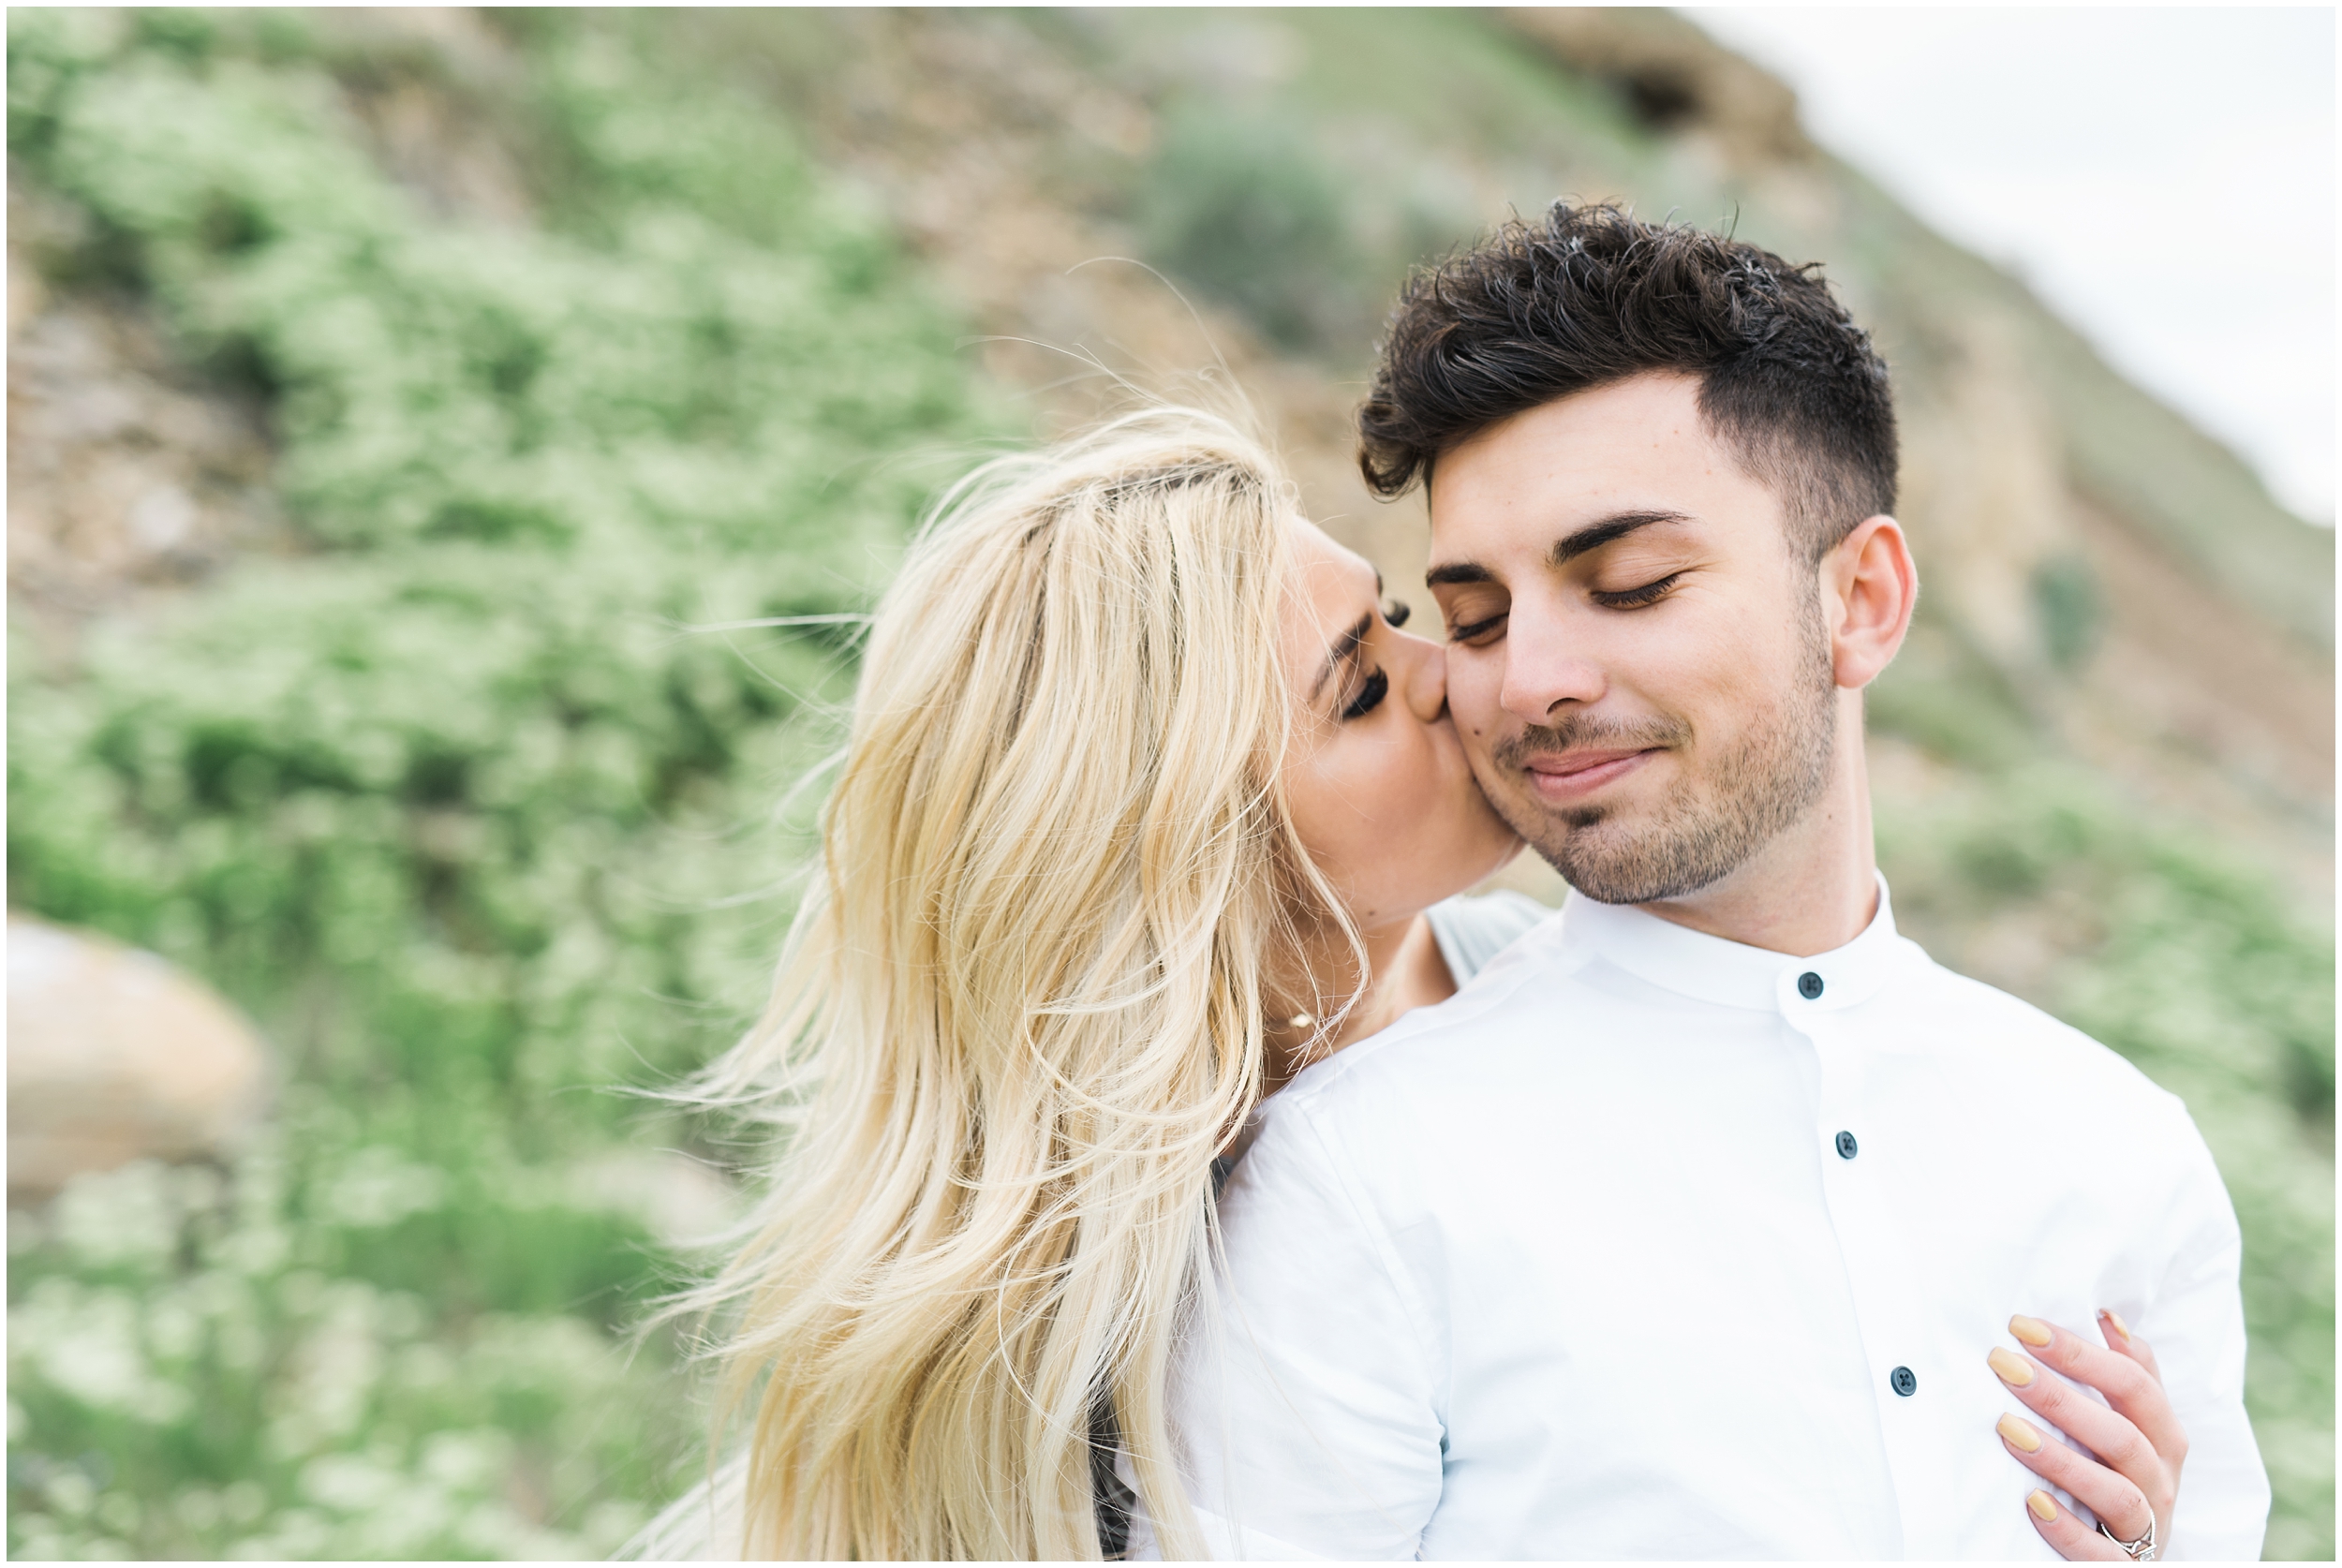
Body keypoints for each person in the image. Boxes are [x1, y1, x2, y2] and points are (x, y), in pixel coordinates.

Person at [1147, 204, 2269, 1561]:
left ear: (1860, 599)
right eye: (1478, 616)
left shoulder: (2119, 1150)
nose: (1527, 679)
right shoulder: (1353, 1183)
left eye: (1629, 583)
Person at [625, 405, 1534, 1560]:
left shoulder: (1563, 976)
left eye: (1393, 617)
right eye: (1357, 690)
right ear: (1194, 872)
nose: (1450, 674)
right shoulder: (1128, 1361)